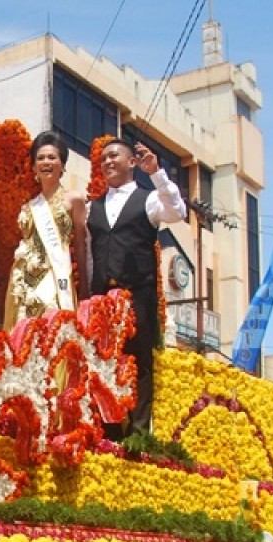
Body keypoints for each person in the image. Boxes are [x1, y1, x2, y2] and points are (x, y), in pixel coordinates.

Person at [81, 138, 187, 433]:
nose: (108, 162)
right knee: (105, 362)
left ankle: (140, 433)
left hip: (139, 294)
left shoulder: (149, 199)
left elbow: (178, 211)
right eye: (103, 158)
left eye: (114, 156)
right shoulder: (94, 207)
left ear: (131, 162)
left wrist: (156, 173)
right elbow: (91, 252)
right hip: (103, 296)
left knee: (140, 362)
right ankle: (110, 431)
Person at [4, 131, 87, 329]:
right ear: (33, 167)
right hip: (26, 278)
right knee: (25, 331)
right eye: (40, 158)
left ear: (62, 164)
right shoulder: (29, 207)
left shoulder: (74, 199)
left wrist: (83, 284)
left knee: (54, 328)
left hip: (56, 276)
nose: (46, 162)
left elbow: (81, 245)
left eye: (52, 157)